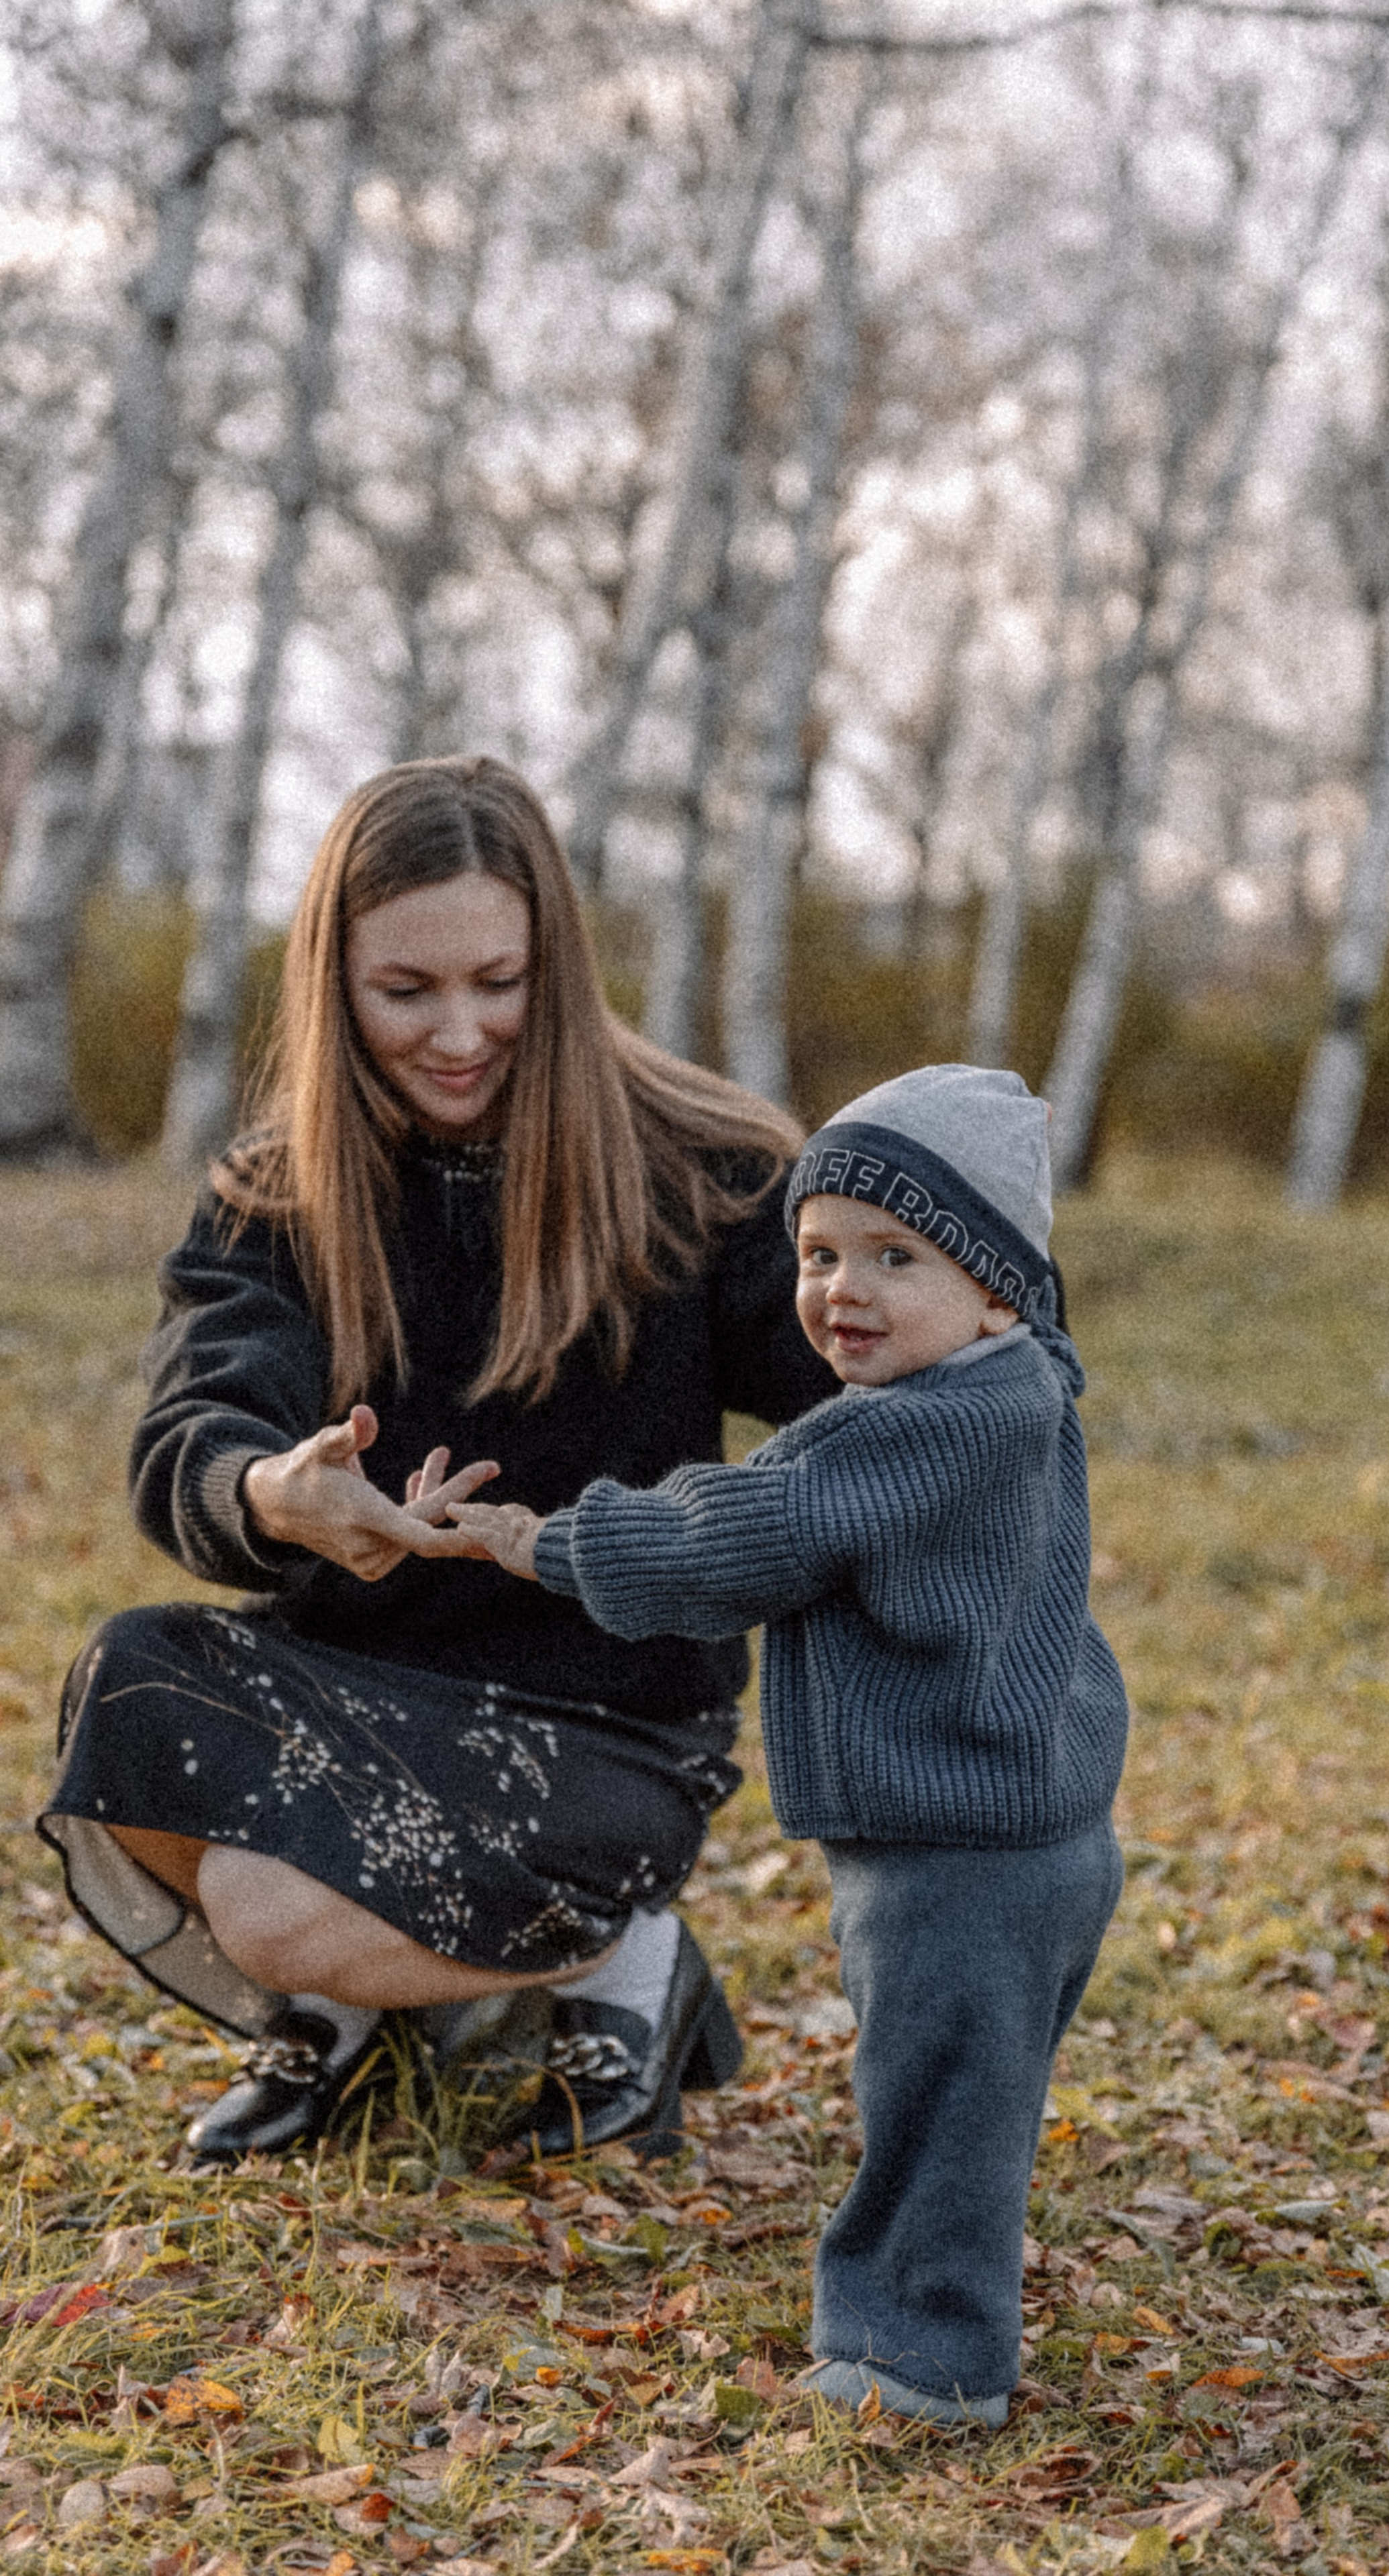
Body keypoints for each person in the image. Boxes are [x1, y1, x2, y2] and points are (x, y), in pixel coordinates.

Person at [39, 754, 836, 2165]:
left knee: (268, 1908)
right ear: (333, 980)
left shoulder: (709, 1170)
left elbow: (867, 1386)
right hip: (355, 1685)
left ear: (555, 965)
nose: (460, 1033)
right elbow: (191, 1432)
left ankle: (626, 1963)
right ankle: (348, 2015)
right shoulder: (275, 1193)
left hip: (606, 1721)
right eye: (406, 991)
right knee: (131, 1682)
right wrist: (275, 1494)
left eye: (498, 982)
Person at [434, 1064, 1129, 2425]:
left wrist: (547, 1542)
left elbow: (741, 1533)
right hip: (1030, 1831)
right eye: (818, 1256)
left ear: (999, 1289)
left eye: (894, 1258)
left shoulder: (917, 1430)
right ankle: (939, 2323)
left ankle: (923, 2362)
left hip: (957, 1852)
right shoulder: (1018, 1385)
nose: (841, 1291)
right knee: (966, 2099)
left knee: (932, 2108)